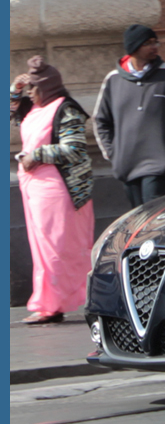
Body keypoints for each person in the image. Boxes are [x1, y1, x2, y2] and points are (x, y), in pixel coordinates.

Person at [11, 57, 95, 325]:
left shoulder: (65, 109)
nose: (30, 94)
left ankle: (54, 305)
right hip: (36, 190)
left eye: (33, 88)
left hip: (58, 190)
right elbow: (13, 114)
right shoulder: (35, 108)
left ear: (47, 88)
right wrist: (15, 89)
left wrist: (36, 154)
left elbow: (74, 148)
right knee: (43, 249)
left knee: (58, 248)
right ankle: (49, 304)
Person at [94, 25, 165, 208]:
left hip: (161, 164)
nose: (154, 47)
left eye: (154, 42)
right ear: (134, 47)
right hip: (128, 163)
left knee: (155, 216)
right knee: (138, 219)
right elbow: (101, 120)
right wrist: (113, 153)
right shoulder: (113, 79)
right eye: (147, 43)